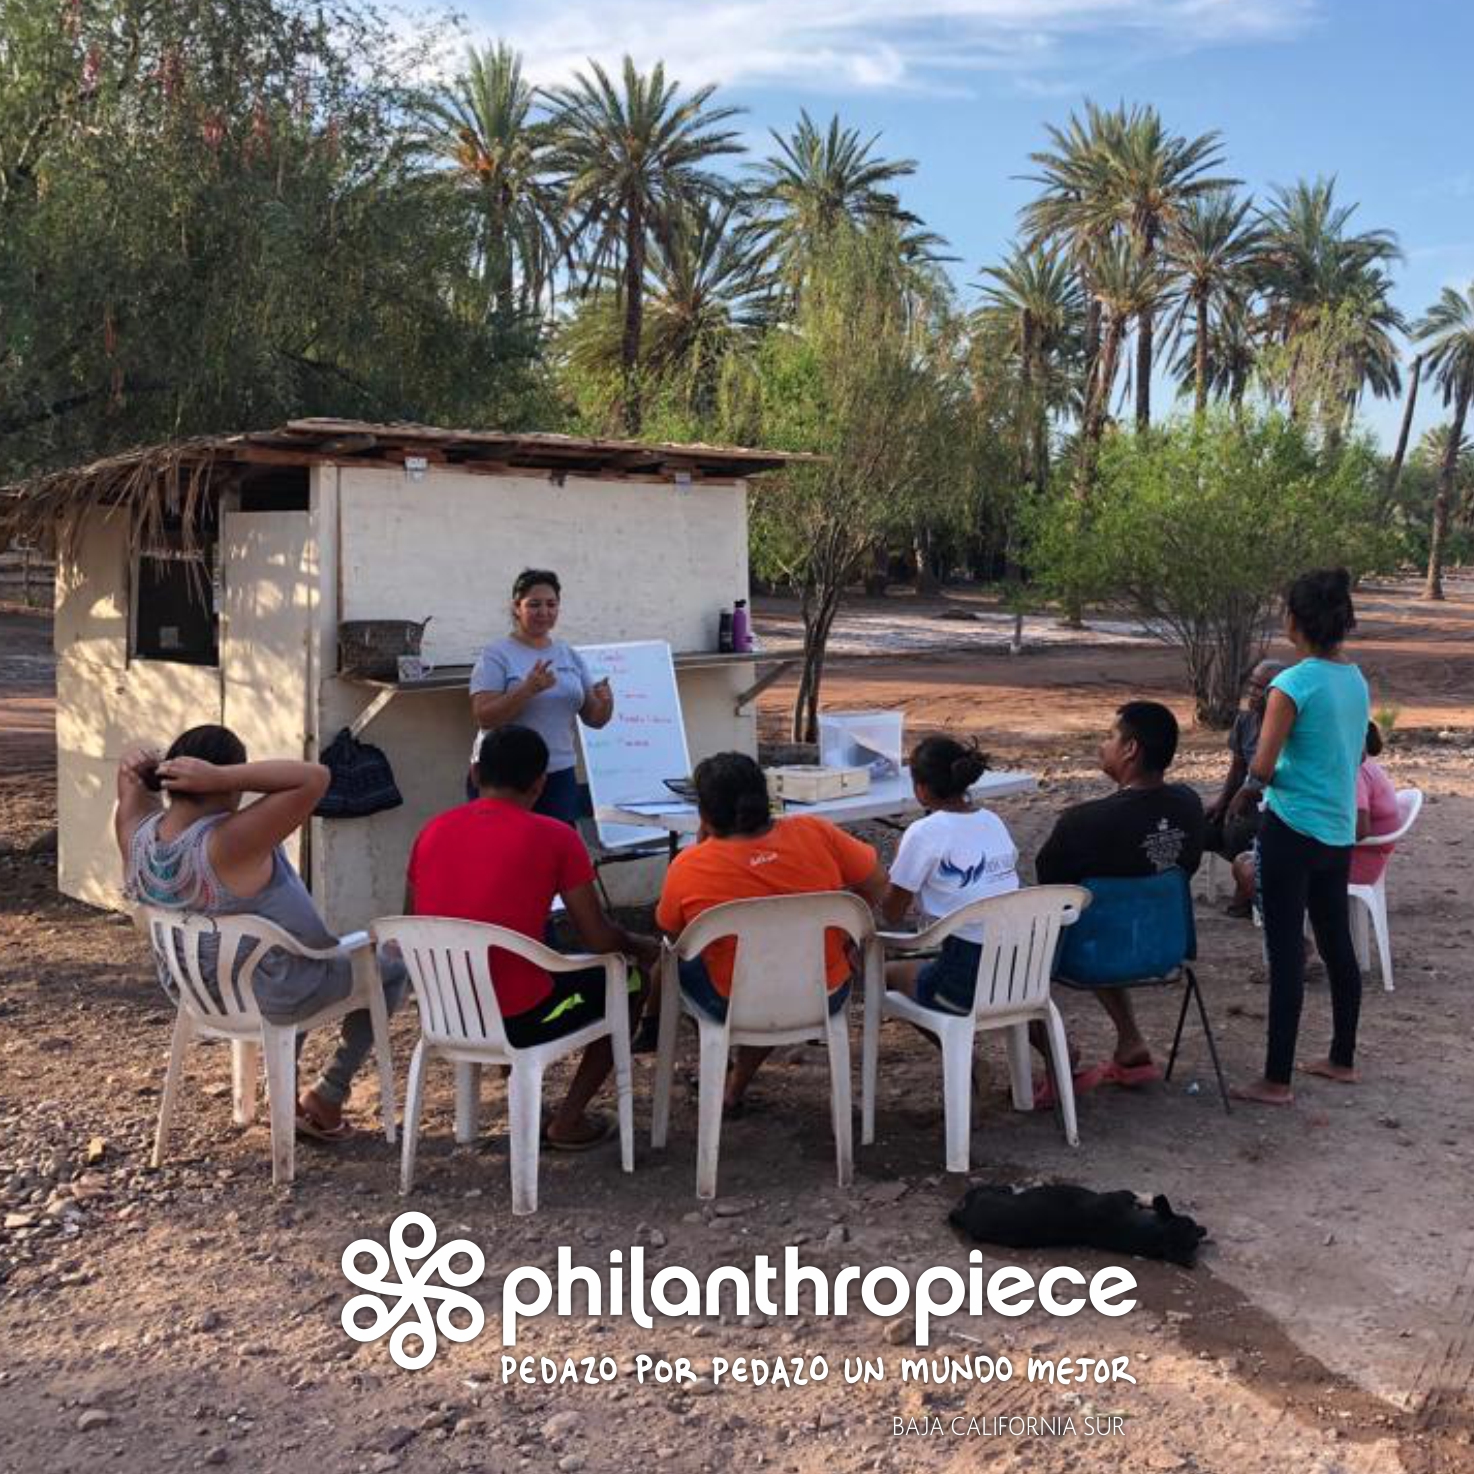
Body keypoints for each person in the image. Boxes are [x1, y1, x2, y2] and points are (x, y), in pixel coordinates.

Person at [117, 725, 406, 1142]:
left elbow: (129, 787)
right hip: (268, 993)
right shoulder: (228, 842)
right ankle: (329, 1094)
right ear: (224, 783)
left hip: (197, 992)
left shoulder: (135, 835)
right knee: (390, 965)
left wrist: (136, 764)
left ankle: (283, 1086)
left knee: (286, 955)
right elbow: (316, 777)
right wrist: (223, 777)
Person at [407, 725, 659, 1149]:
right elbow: (599, 939)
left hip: (444, 1011)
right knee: (629, 982)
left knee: (521, 973)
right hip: (519, 1019)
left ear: (475, 773)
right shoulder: (556, 836)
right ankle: (569, 1120)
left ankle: (527, 1104)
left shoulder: (430, 832)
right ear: (540, 783)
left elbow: (412, 917)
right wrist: (640, 946)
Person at [655, 751, 887, 1111]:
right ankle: (735, 1087)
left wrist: (705, 849)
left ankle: (710, 1058)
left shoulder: (689, 866)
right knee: (775, 972)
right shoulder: (815, 832)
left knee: (679, 965)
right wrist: (848, 935)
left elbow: (672, 935)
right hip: (823, 992)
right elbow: (877, 883)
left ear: (704, 813)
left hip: (734, 1002)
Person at [1228, 569, 1369, 1107]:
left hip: (1290, 828)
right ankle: (1342, 1058)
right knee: (1336, 944)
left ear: (1294, 621)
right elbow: (1352, 752)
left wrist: (1248, 791)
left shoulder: (1291, 684)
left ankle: (1276, 1079)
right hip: (1337, 831)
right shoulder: (1354, 678)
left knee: (1285, 951)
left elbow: (1263, 766)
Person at [1035, 701, 1205, 1085]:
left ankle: (1056, 1052)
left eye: (1109, 737)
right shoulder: (1188, 804)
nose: (1102, 745)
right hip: (1163, 945)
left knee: (1042, 928)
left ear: (1130, 749)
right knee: (1108, 914)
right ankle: (1130, 1041)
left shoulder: (1084, 822)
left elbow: (1049, 890)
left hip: (1092, 953)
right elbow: (1188, 864)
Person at [880, 736, 1020, 1012]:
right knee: (937, 962)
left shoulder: (923, 833)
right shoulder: (992, 821)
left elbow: (892, 914)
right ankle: (962, 1032)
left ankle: (955, 1039)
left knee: (885, 973)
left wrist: (897, 865)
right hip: (1017, 970)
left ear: (921, 789)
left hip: (965, 978)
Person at [467, 568, 614, 823]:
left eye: (551, 604)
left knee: (553, 844)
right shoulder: (496, 654)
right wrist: (528, 689)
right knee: (504, 845)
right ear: (517, 607)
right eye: (534, 604)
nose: (544, 612)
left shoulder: (568, 654)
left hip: (557, 774)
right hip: (504, 777)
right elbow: (484, 717)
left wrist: (606, 703)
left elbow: (595, 719)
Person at [1203, 659, 1285, 916]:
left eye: (1262, 688)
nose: (1253, 693)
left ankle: (1247, 894)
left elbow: (1275, 773)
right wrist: (1223, 800)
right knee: (1201, 822)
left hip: (1274, 804)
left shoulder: (1286, 727)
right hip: (1246, 801)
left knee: (1242, 830)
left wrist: (1245, 793)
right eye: (1252, 685)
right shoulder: (1246, 721)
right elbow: (1237, 768)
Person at [1348, 722, 1400, 886]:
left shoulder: (1356, 771)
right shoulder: (1366, 764)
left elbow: (1360, 830)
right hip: (1371, 855)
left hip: (1360, 861)